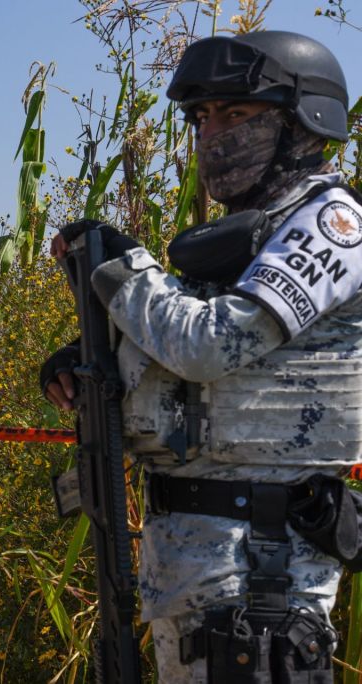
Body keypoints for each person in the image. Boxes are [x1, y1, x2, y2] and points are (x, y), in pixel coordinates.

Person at [41, 31, 358, 682]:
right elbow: (208, 369)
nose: (211, 133)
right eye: (199, 117)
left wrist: (122, 269)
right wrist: (97, 361)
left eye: (235, 113)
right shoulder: (250, 237)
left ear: (301, 123)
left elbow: (207, 345)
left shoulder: (332, 224)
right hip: (201, 565)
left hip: (262, 571)